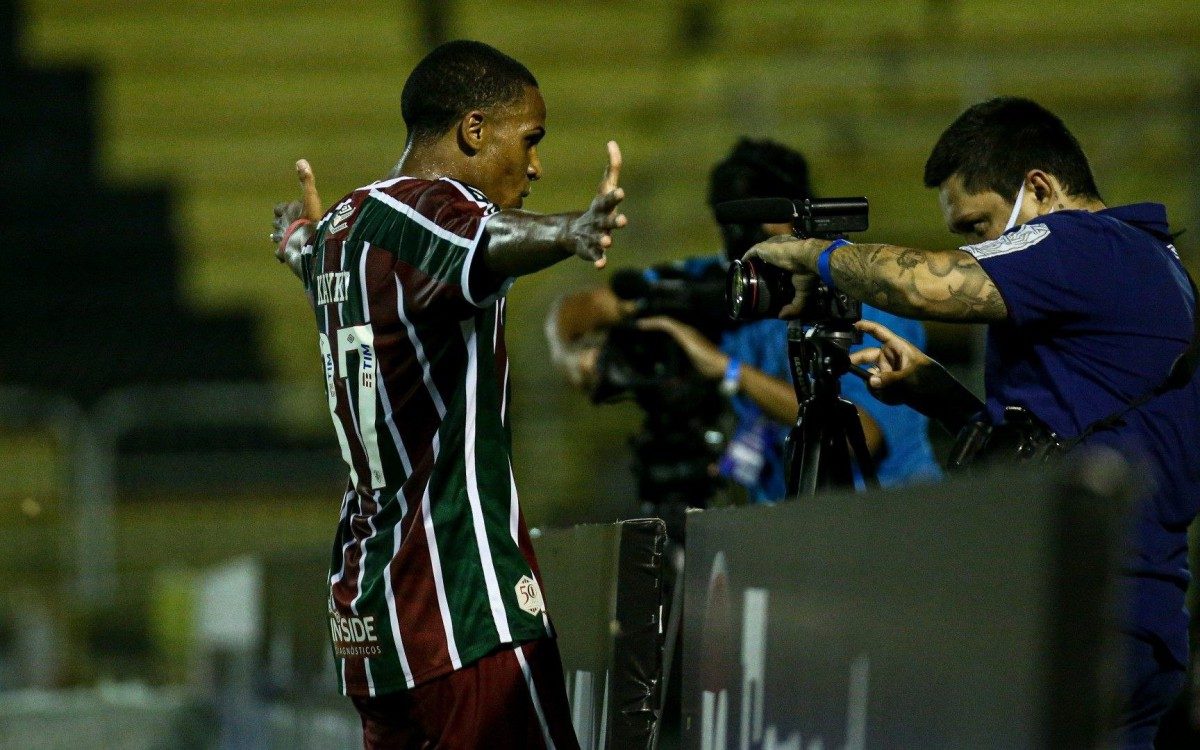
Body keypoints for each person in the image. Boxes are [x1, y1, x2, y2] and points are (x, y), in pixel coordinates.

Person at [746, 96, 1200, 748]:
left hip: (1083, 618)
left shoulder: (1085, 245)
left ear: (1038, 187)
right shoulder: (1150, 266)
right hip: (1127, 614)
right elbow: (1054, 447)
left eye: (980, 225)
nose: (981, 249)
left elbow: (928, 284)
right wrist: (939, 395)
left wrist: (810, 253)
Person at [270, 40, 627, 749]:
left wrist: (297, 239)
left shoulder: (343, 227)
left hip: (372, 619)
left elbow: (315, 260)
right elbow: (485, 241)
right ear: (473, 130)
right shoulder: (434, 207)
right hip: (461, 606)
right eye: (529, 140)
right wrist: (572, 231)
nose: (535, 164)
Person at [548, 139, 940, 503]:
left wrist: (728, 370)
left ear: (800, 213)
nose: (747, 236)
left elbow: (864, 439)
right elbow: (590, 307)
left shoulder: (860, 295)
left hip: (890, 512)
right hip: (788, 523)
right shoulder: (732, 284)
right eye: (733, 221)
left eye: (761, 218)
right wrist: (571, 356)